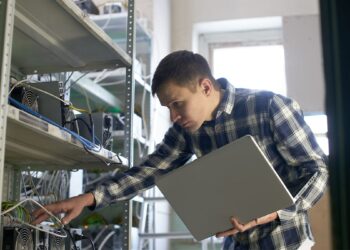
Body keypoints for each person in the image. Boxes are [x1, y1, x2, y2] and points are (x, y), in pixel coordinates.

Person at [33, 50, 328, 249]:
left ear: (206, 87)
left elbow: (318, 171)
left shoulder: (270, 107)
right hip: (235, 242)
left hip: (286, 240)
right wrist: (88, 198)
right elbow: (148, 171)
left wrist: (272, 213)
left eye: (177, 104)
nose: (173, 116)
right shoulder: (186, 130)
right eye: (167, 108)